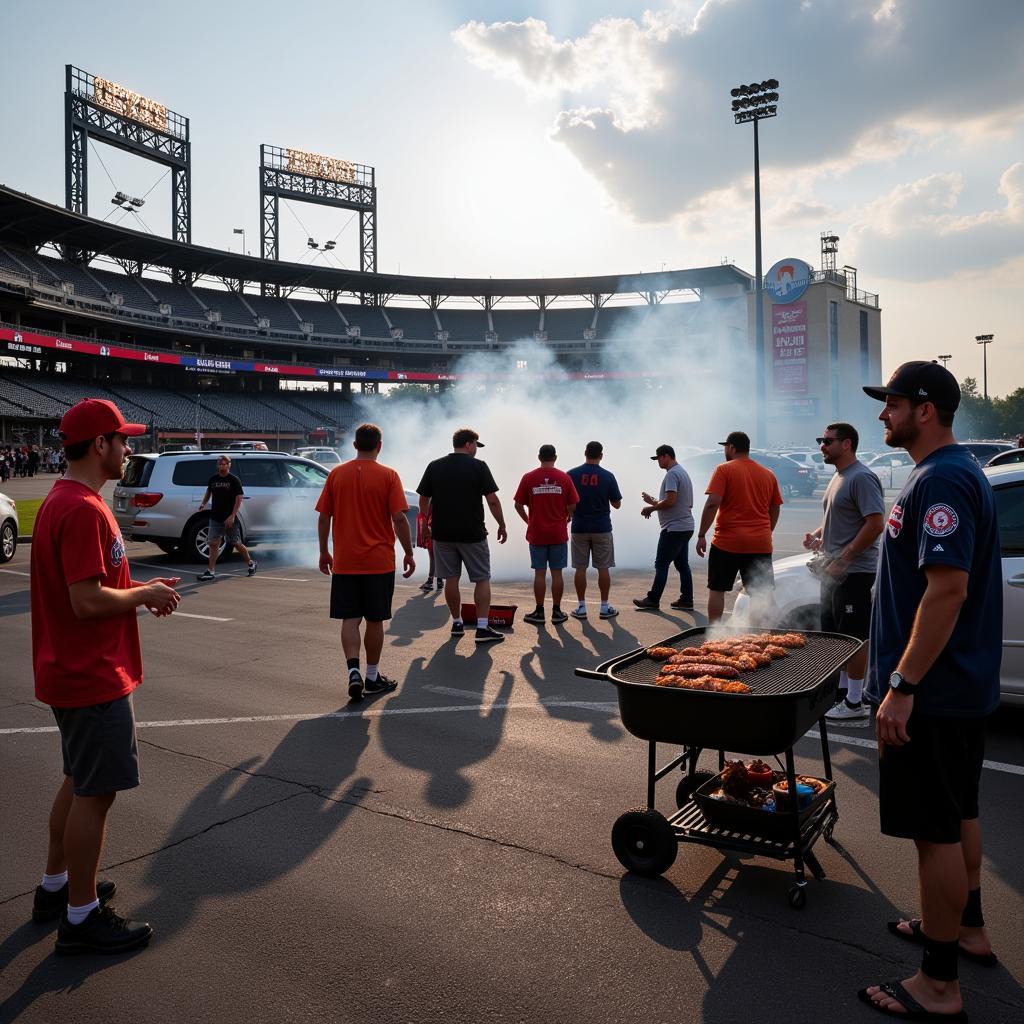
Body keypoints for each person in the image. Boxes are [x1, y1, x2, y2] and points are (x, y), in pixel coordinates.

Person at [858, 362, 1001, 1022]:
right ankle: (965, 928)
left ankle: (938, 986)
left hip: (935, 694)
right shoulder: (944, 472)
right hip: (954, 691)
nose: (882, 415)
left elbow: (947, 592)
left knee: (934, 835)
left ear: (925, 409)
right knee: (959, 814)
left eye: (891, 404)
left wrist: (902, 685)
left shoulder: (943, 476)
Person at [30, 398, 180, 954]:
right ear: (100, 445)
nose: (128, 448)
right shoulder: (83, 509)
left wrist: (138, 594)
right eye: (122, 440)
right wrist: (146, 594)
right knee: (97, 793)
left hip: (72, 669)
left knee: (78, 779)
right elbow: (87, 600)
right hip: (91, 674)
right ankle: (81, 916)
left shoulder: (66, 500)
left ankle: (57, 887)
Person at [317, 423, 415, 699]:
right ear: (379, 446)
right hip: (379, 562)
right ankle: (371, 676)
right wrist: (408, 551)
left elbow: (324, 517)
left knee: (350, 618)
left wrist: (324, 551)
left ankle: (353, 671)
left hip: (346, 561)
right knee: (375, 619)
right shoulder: (389, 475)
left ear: (355, 445)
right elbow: (398, 518)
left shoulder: (337, 474)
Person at [802, 422, 885, 726]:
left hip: (854, 572)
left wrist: (845, 559)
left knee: (854, 636)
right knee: (835, 633)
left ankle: (854, 701)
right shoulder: (840, 476)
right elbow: (844, 519)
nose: (821, 446)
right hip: (833, 569)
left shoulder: (861, 477)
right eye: (820, 440)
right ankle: (838, 696)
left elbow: (875, 523)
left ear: (847, 444)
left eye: (827, 441)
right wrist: (818, 536)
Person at [416, 427, 508, 644]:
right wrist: (502, 524)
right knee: (482, 579)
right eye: (476, 445)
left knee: (451, 579)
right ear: (468, 444)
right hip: (472, 533)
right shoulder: (479, 467)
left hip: (443, 533)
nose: (476, 449)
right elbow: (492, 500)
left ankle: (457, 622)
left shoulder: (435, 466)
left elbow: (423, 498)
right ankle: (482, 628)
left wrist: (425, 523)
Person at [695, 431, 783, 623]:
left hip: (727, 542)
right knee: (759, 593)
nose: (725, 451)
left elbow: (712, 503)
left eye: (725, 447)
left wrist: (701, 534)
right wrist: (767, 531)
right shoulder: (768, 474)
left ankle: (714, 633)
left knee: (717, 589)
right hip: (760, 543)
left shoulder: (724, 470)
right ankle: (754, 635)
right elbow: (775, 507)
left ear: (732, 447)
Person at [514, 444, 579, 625]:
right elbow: (573, 504)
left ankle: (539, 611)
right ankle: (557, 612)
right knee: (557, 573)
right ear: (555, 457)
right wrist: (567, 515)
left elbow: (517, 504)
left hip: (537, 533)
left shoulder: (528, 478)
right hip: (558, 533)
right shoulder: (564, 478)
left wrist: (529, 521)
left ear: (539, 457)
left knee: (539, 573)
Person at [633, 444, 695, 612]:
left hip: (675, 528)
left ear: (666, 456)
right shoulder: (681, 472)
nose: (658, 462)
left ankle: (653, 599)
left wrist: (650, 509)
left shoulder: (672, 474)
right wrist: (653, 501)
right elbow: (671, 501)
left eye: (658, 458)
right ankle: (687, 599)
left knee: (661, 564)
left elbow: (670, 501)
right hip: (685, 526)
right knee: (682, 564)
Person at [567, 441, 622, 619]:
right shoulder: (608, 476)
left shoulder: (572, 475)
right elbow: (617, 504)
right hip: (602, 527)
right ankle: (604, 607)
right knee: (603, 568)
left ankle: (581, 607)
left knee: (580, 568)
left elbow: (567, 503)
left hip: (579, 527)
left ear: (585, 453)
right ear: (601, 455)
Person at [197, 454, 257, 581]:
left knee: (236, 543)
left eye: (225, 464)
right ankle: (210, 571)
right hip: (215, 517)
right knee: (213, 544)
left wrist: (232, 515)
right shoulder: (213, 479)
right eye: (220, 464)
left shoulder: (233, 480)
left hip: (229, 518)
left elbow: (239, 498)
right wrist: (203, 502)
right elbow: (209, 492)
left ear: (229, 465)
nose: (222, 466)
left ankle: (251, 563)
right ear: (217, 465)